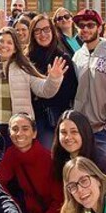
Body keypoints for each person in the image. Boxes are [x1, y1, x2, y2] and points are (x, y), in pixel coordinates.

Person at [0, 27, 67, 149]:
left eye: (9, 42)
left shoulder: (23, 67)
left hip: (20, 130)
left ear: (14, 48)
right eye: (1, 41)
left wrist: (54, 79)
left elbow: (44, 90)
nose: (4, 45)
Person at [71, 9, 106, 178]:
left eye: (90, 25)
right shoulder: (77, 56)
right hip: (83, 130)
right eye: (81, 26)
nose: (86, 29)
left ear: (99, 27)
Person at [28, 14, 79, 149]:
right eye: (37, 31)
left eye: (46, 29)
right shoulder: (26, 58)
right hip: (30, 118)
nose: (42, 34)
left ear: (52, 31)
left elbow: (71, 91)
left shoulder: (62, 58)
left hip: (54, 120)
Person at [52, 110, 106, 180]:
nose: (68, 137)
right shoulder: (58, 163)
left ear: (84, 133)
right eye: (63, 132)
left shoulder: (103, 167)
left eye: (74, 132)